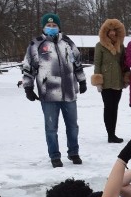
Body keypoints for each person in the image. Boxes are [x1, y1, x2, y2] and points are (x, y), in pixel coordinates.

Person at [22, 13, 87, 168]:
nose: (51, 28)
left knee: (73, 126)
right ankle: (55, 156)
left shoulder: (68, 43)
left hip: (69, 93)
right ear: (44, 27)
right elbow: (27, 67)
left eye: (54, 25)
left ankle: (74, 152)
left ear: (59, 27)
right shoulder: (36, 44)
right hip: (48, 93)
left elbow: (77, 63)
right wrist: (28, 87)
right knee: (51, 128)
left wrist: (82, 80)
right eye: (48, 25)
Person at [92, 19, 130, 143]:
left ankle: (113, 133)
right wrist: (98, 81)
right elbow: (97, 64)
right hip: (106, 82)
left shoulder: (121, 46)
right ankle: (110, 134)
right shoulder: (100, 46)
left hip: (118, 81)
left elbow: (124, 63)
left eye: (114, 30)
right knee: (108, 107)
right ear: (106, 32)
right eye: (110, 31)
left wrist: (126, 78)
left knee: (115, 108)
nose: (112, 33)